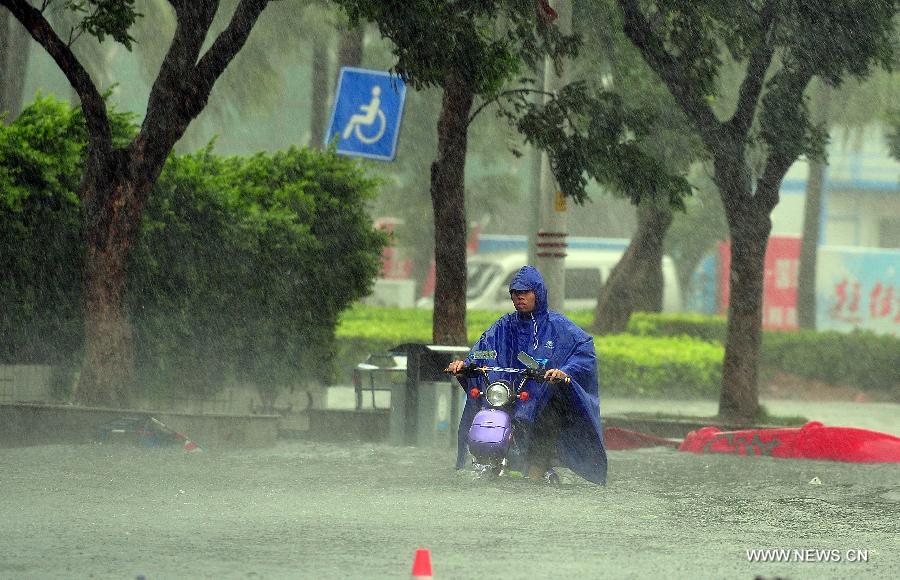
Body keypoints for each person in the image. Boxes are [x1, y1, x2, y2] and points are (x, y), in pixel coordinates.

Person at [447, 265, 608, 485]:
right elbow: (485, 351)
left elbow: (583, 352)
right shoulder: (503, 326)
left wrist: (564, 372)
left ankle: (536, 474)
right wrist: (465, 364)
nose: (519, 298)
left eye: (525, 292)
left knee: (548, 417)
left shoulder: (559, 327)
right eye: (515, 293)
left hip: (543, 397)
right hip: (509, 394)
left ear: (538, 294)